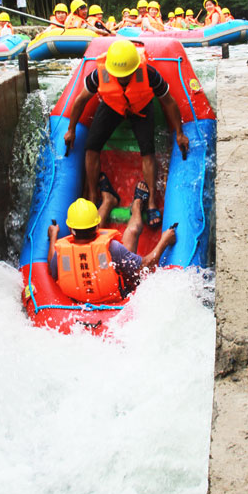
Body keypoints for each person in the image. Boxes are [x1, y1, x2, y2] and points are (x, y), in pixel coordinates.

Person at [64, 39, 189, 230]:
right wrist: (71, 129)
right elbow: (80, 100)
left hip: (140, 106)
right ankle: (92, 195)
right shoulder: (99, 74)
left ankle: (152, 202)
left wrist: (179, 133)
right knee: (91, 147)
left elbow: (170, 102)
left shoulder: (149, 74)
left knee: (148, 151)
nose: (122, 78)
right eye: (119, 75)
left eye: (126, 75)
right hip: (113, 105)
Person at [47, 188, 177, 303]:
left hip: (79, 303)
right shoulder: (112, 248)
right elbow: (145, 267)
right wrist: (164, 241)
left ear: (70, 228)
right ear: (97, 226)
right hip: (117, 298)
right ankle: (136, 206)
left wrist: (53, 236)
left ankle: (109, 201)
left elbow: (52, 271)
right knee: (131, 232)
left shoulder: (61, 254)